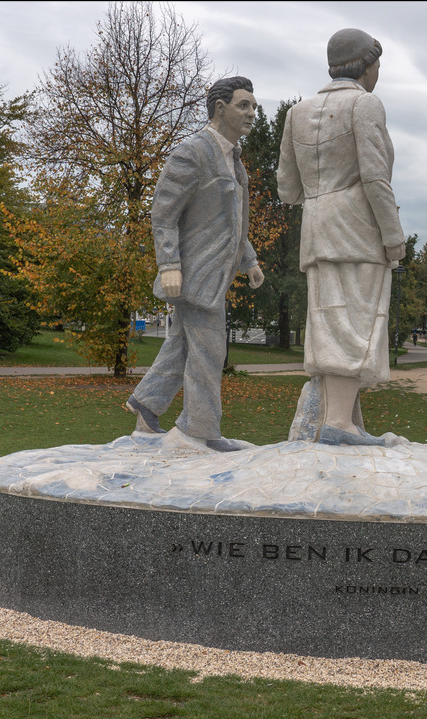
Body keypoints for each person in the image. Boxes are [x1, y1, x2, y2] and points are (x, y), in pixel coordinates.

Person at [278, 28, 405, 446]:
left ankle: (342, 420)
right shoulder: (365, 104)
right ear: (365, 65)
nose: (378, 73)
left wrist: (321, 190)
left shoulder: (297, 112)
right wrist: (393, 235)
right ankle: (339, 424)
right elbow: (375, 176)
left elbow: (287, 189)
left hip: (316, 230)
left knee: (330, 322)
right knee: (356, 323)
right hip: (358, 230)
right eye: (378, 65)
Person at [123, 76, 264, 451]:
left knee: (182, 345)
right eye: (244, 105)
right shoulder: (193, 152)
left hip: (215, 275)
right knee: (209, 349)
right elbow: (163, 214)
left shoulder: (234, 160)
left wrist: (248, 260)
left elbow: (232, 222)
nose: (253, 112)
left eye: (254, 105)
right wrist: (168, 265)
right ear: (221, 109)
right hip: (193, 274)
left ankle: (145, 407)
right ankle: (198, 431)